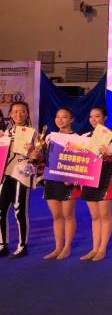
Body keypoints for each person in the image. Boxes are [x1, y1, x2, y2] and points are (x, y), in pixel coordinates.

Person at [40, 107, 81, 260]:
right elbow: (45, 158)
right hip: (51, 179)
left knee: (68, 215)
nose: (60, 119)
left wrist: (74, 178)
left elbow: (81, 162)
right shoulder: (49, 137)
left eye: (64, 117)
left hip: (68, 181)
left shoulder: (78, 138)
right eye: (57, 116)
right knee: (56, 216)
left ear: (72, 119)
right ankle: (57, 247)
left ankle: (67, 247)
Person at [79, 106, 112, 262]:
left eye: (97, 116)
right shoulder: (84, 137)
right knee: (95, 217)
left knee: (105, 216)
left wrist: (108, 154)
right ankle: (94, 248)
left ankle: (102, 249)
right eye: (91, 117)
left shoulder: (111, 136)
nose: (94, 119)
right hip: (89, 180)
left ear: (105, 118)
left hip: (104, 179)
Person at [0, 102, 37, 258]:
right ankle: (2, 244)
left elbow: (37, 158)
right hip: (4, 174)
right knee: (1, 210)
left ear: (27, 114)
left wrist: (33, 153)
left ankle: (22, 246)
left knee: (19, 211)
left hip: (21, 174)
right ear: (10, 114)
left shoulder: (32, 133)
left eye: (22, 111)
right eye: (15, 111)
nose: (19, 114)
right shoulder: (6, 133)